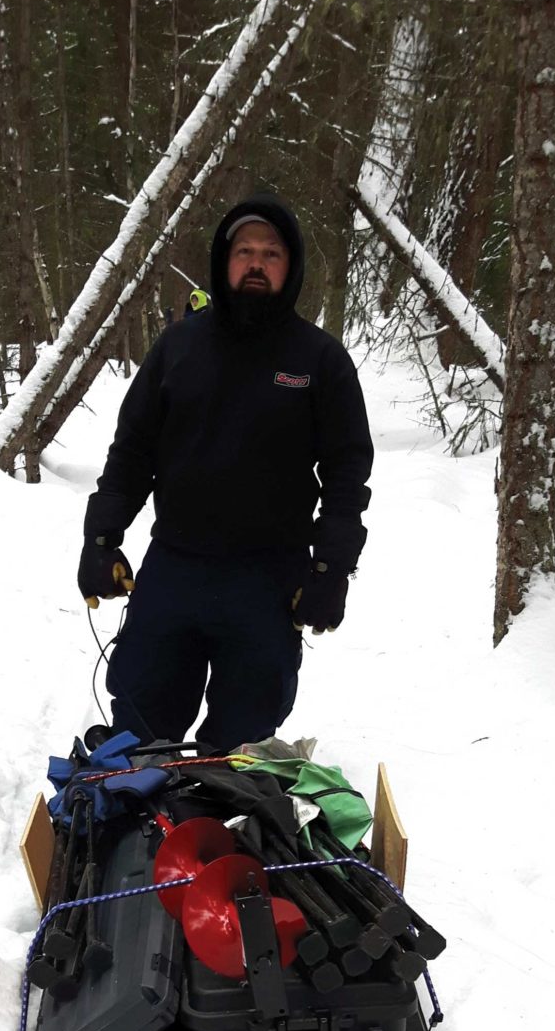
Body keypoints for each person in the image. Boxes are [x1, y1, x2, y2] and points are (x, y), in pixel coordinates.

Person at [76, 191, 373, 752]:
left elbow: (346, 477)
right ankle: (138, 836)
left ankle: (224, 836)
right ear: (224, 260)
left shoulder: (320, 362)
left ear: (292, 266)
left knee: (241, 750)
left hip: (267, 581)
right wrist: (100, 538)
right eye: (244, 251)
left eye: (271, 254)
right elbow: (132, 452)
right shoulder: (179, 348)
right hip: (174, 570)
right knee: (140, 733)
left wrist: (332, 569)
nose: (256, 264)